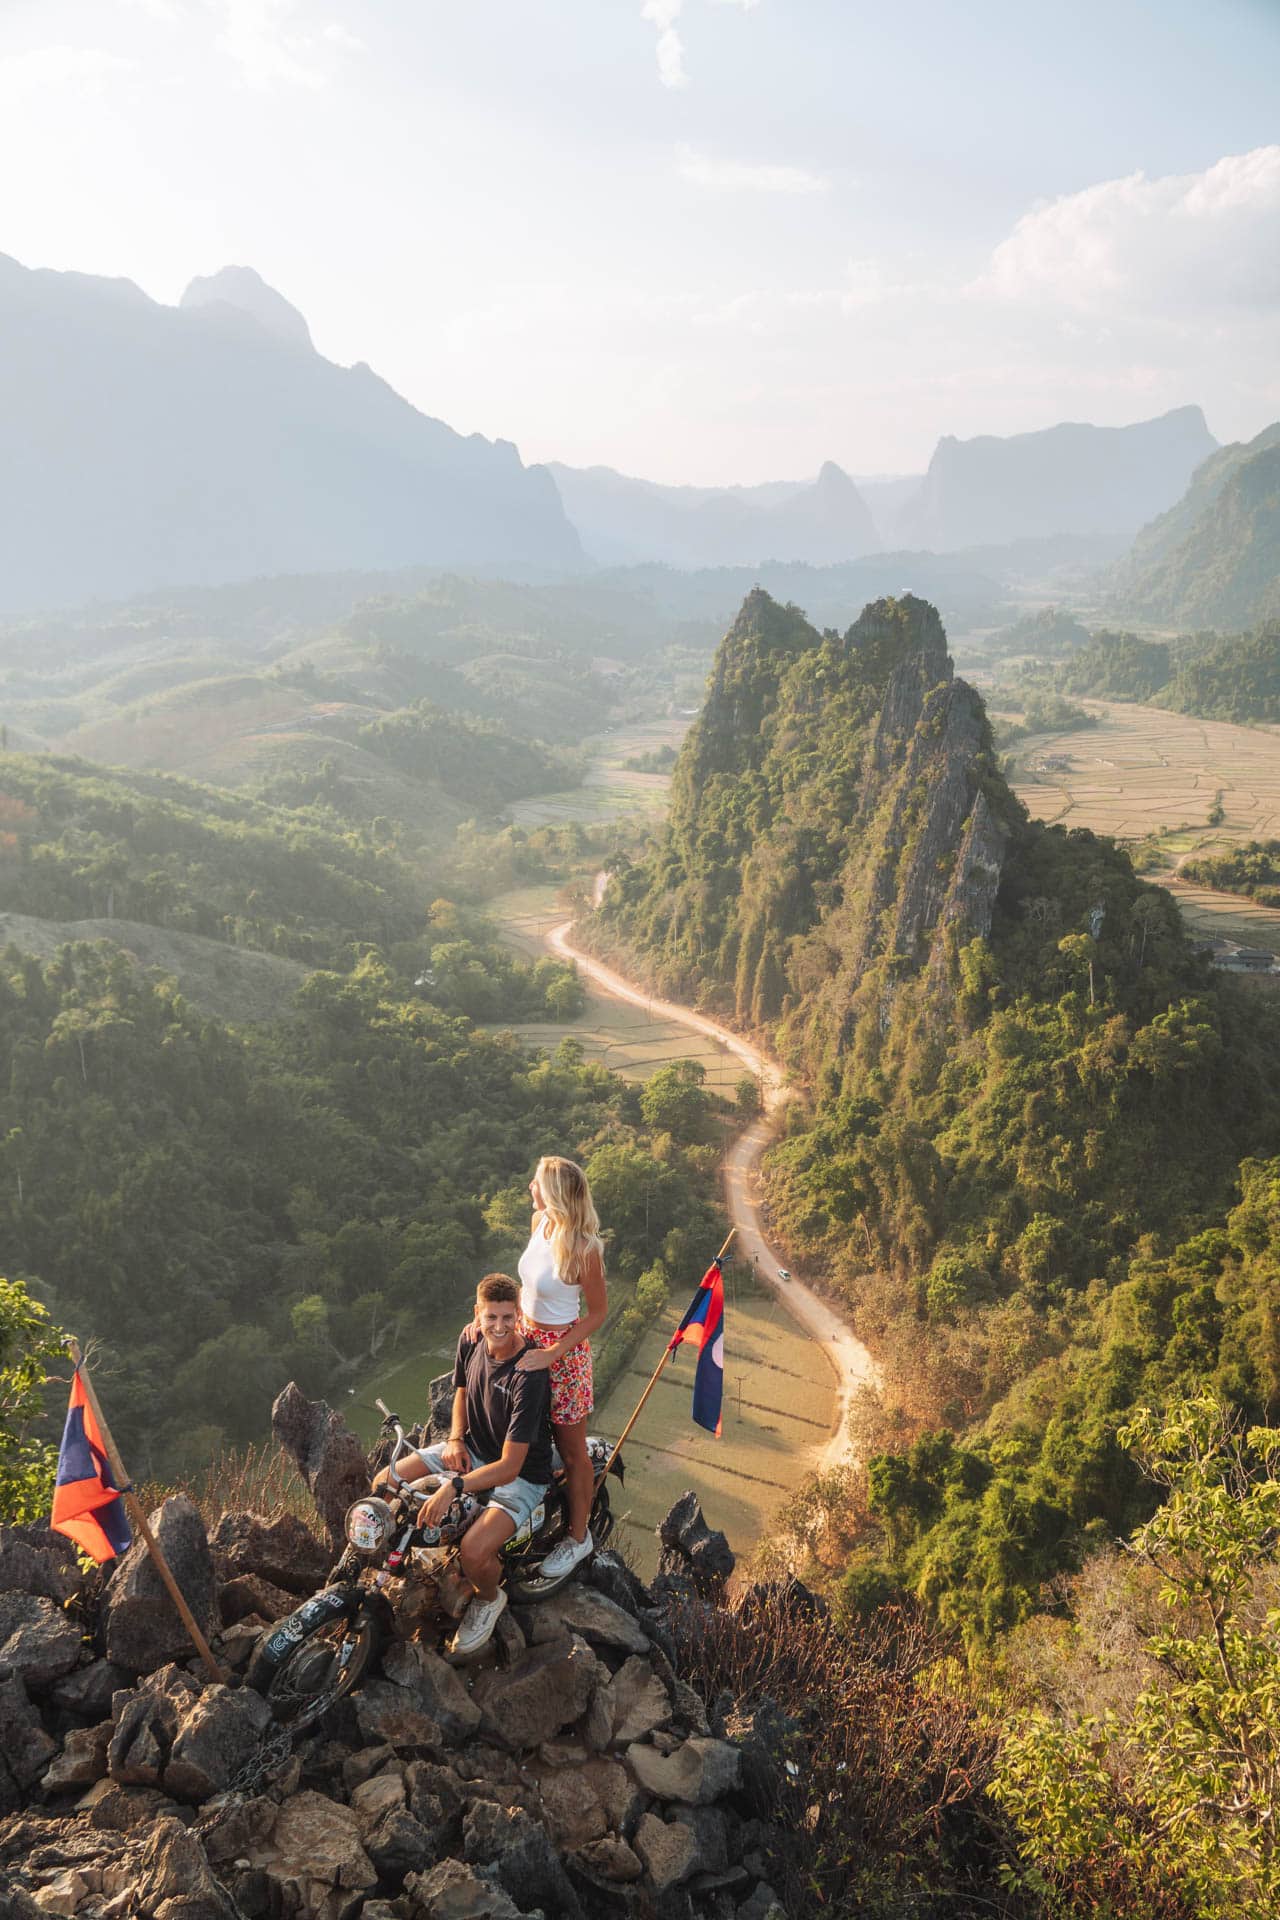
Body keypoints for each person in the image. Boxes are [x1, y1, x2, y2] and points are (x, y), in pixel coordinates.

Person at [374, 1272, 551, 1658]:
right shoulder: (470, 1339)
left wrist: (453, 1486)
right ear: (478, 1314)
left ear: (518, 1315)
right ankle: (387, 1560)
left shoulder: (530, 1374)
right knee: (384, 1482)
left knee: (473, 1552)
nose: (499, 1327)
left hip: (519, 1475)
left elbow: (509, 1466)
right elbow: (460, 1391)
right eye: (491, 1317)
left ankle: (489, 1598)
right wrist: (454, 1438)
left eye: (508, 1317)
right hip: (470, 1447)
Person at [515, 1154, 608, 1578]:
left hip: (564, 1354)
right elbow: (528, 1286)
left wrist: (554, 1353)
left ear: (553, 1192)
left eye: (536, 1183)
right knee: (518, 1434)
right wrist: (497, 1323)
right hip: (526, 1337)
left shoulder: (584, 1249)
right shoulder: (541, 1226)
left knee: (573, 1453)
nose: (530, 1188)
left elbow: (596, 1313)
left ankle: (577, 1538)